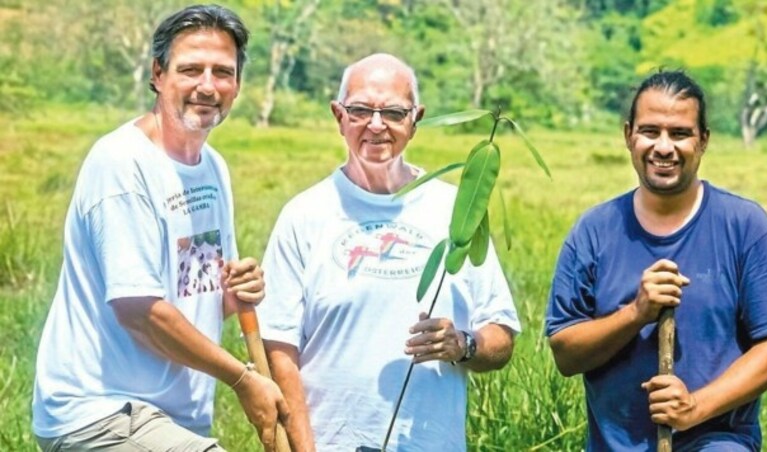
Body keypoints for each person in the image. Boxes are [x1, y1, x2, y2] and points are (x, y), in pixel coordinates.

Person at [32, 5, 288, 451]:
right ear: (158, 74)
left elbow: (194, 293)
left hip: (173, 418)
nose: (207, 86)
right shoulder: (122, 164)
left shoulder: (212, 167)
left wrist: (232, 293)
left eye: (222, 72)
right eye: (190, 69)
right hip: (102, 413)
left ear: (237, 84)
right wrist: (243, 379)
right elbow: (139, 311)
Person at [257, 53, 520, 451]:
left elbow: (501, 334)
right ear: (339, 116)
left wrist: (463, 345)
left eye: (394, 113)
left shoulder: (456, 211)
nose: (376, 125)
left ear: (416, 120)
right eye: (361, 110)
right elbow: (279, 349)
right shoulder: (304, 215)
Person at [546, 70, 767, 451]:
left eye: (680, 133)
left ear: (704, 141)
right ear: (628, 135)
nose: (663, 147)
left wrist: (695, 407)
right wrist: (636, 313)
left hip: (717, 441)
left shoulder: (745, 226)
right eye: (650, 131)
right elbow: (566, 353)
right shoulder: (593, 232)